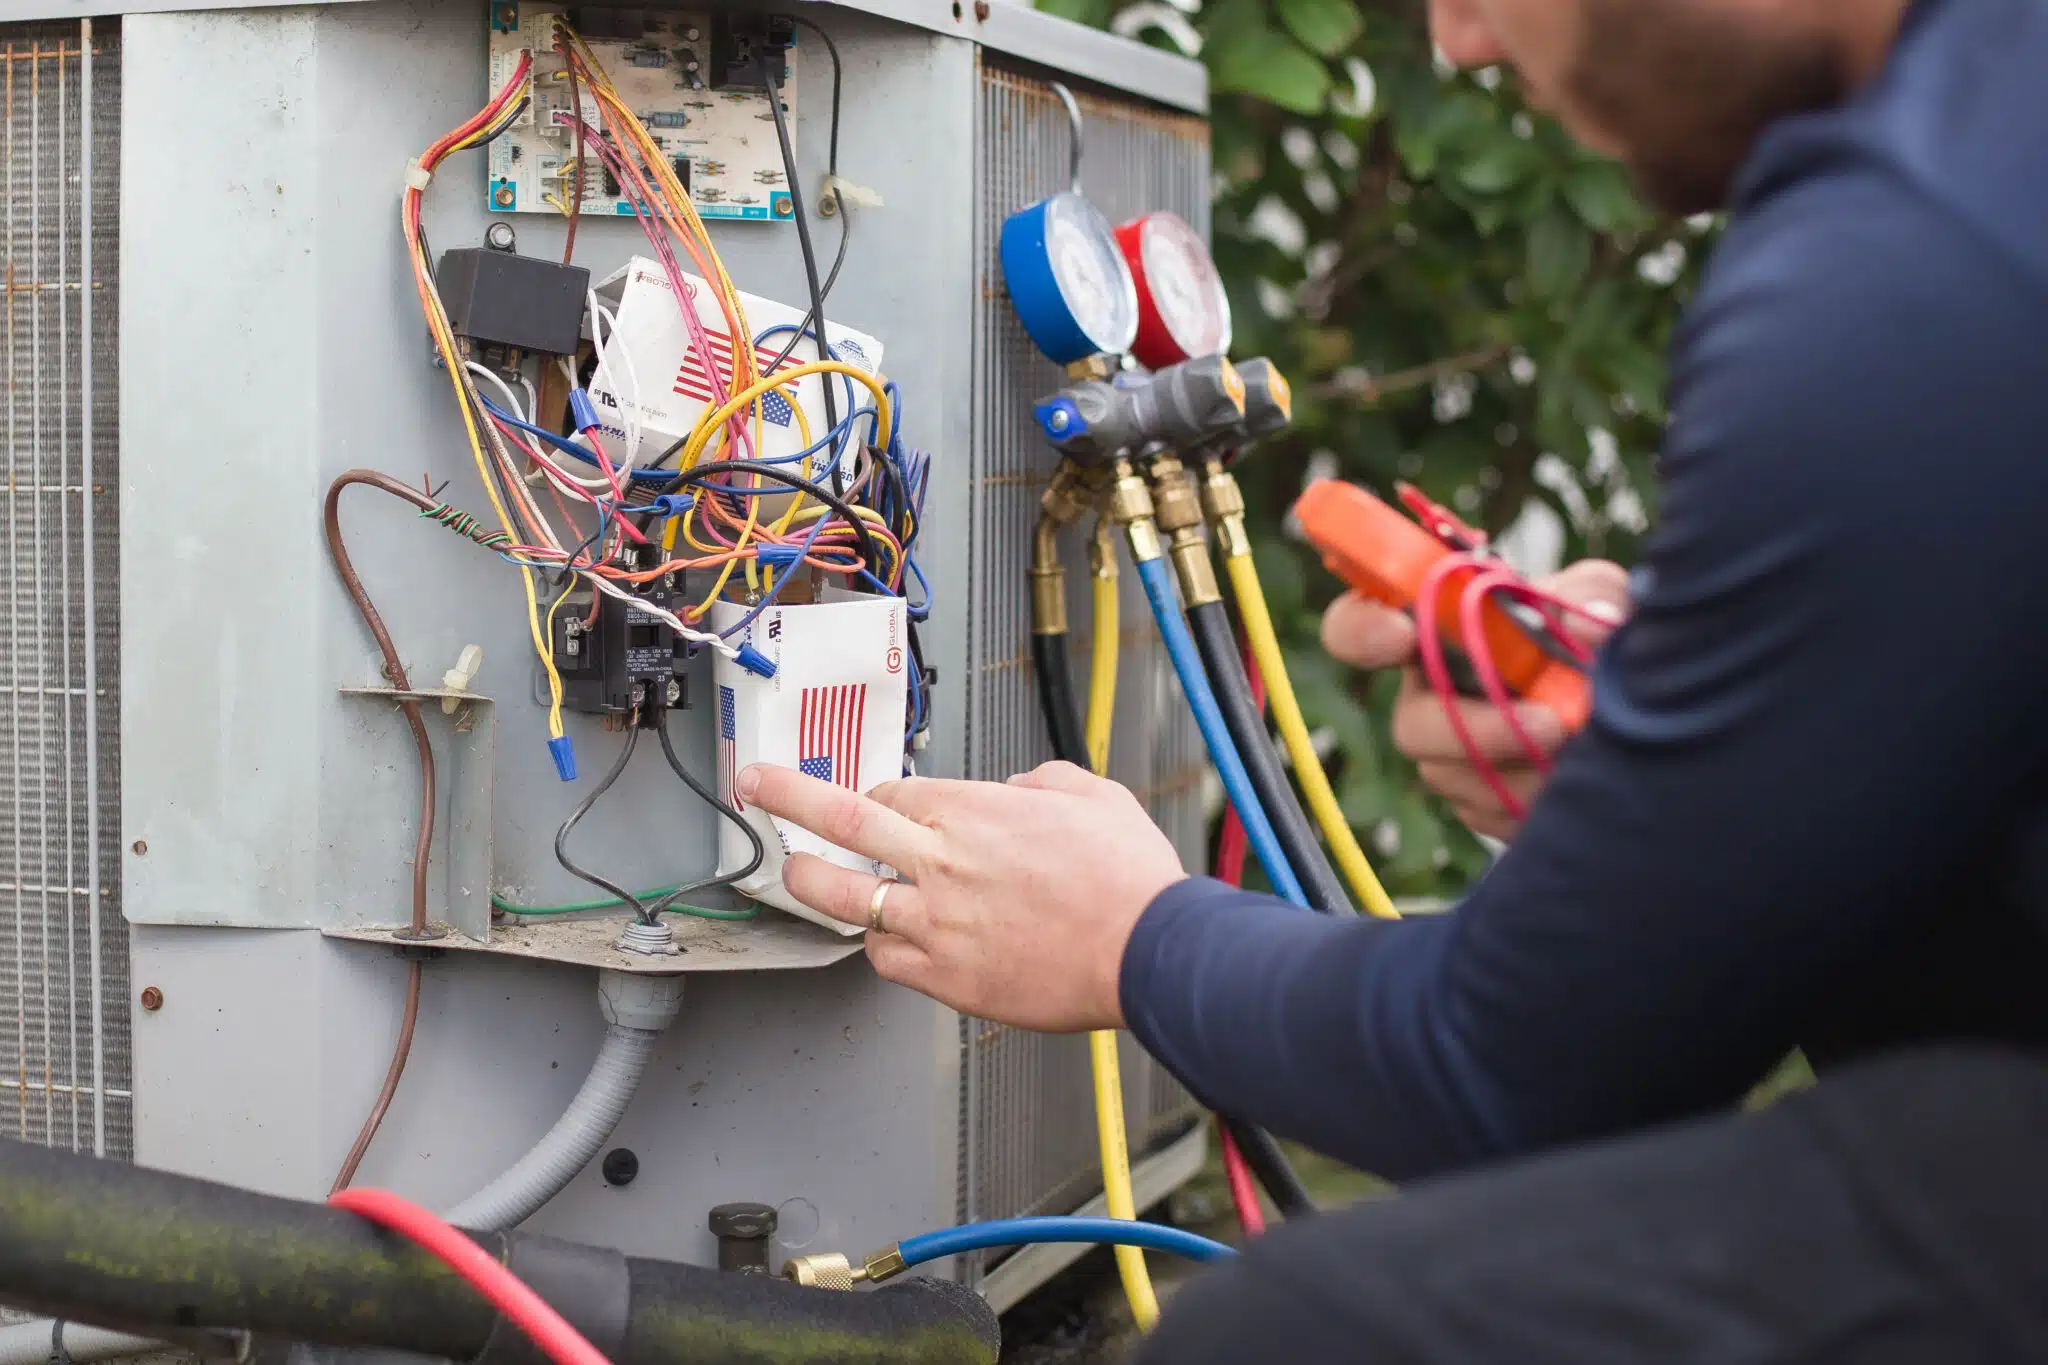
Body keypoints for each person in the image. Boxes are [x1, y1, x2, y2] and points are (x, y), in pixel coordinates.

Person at [739, 0, 2048, 1355]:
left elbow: (1524, 1074)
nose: (1463, 43)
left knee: (1293, 1333)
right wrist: (1727, 745)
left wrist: (1133, 939)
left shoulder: (1912, 262)